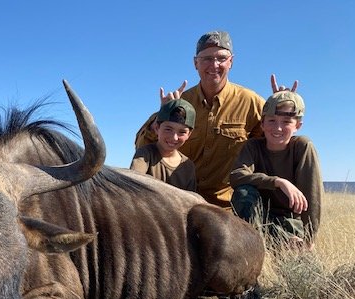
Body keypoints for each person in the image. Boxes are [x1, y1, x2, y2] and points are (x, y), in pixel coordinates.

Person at [135, 31, 265, 208]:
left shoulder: (251, 102)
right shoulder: (180, 102)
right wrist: (162, 114)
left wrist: (282, 108)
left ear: (231, 61)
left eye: (221, 58)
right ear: (195, 63)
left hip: (227, 207)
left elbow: (273, 144)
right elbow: (142, 147)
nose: (214, 64)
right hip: (181, 202)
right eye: (207, 59)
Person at [229, 91, 323, 248]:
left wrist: (309, 238)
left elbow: (312, 195)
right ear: (263, 124)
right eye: (272, 120)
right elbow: (237, 176)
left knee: (295, 245)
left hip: (289, 222)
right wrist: (278, 182)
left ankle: (281, 244)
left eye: (286, 122)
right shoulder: (253, 146)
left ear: (297, 126)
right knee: (243, 193)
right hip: (257, 219)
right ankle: (257, 248)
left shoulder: (302, 147)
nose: (278, 128)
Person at [130, 98, 197, 192]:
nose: (174, 137)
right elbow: (133, 188)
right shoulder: (144, 155)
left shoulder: (188, 167)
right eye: (168, 129)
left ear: (189, 134)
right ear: (157, 128)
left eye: (182, 132)